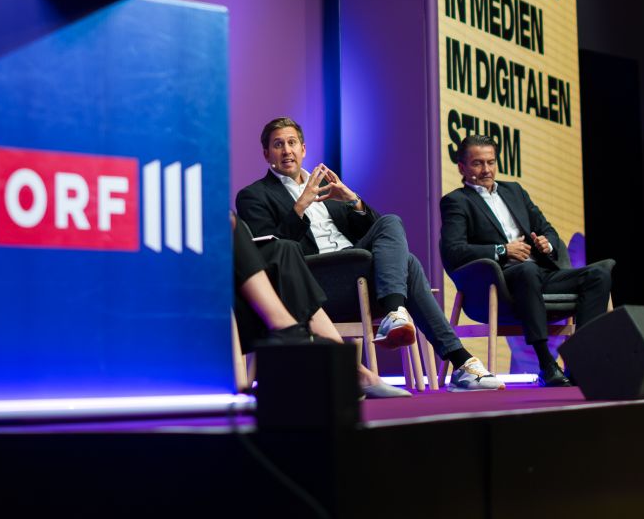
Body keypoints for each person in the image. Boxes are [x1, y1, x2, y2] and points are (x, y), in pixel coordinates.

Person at [236, 117, 502, 391]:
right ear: (267, 153)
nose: (286, 151)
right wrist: (300, 206)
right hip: (314, 281)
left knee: (392, 228)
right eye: (278, 145)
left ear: (303, 148)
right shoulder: (253, 196)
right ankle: (447, 352)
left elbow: (377, 231)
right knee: (408, 265)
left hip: (355, 271)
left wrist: (352, 200)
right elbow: (272, 254)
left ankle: (430, 339)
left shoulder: (327, 184)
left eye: (292, 143)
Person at [439, 134, 613, 387]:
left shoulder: (515, 191)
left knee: (600, 272)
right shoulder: (456, 201)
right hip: (498, 283)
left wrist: (547, 243)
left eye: (491, 162)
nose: (486, 170)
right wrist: (502, 250)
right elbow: (454, 251)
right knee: (525, 271)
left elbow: (547, 229)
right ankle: (546, 364)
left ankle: (579, 363)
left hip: (539, 274)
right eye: (478, 163)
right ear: (462, 167)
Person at [232, 216, 408, 398]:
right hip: (320, 270)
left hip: (307, 270)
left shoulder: (335, 203)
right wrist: (298, 210)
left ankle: (348, 365)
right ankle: (342, 364)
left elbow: (368, 229)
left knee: (285, 249)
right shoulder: (255, 195)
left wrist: (356, 205)